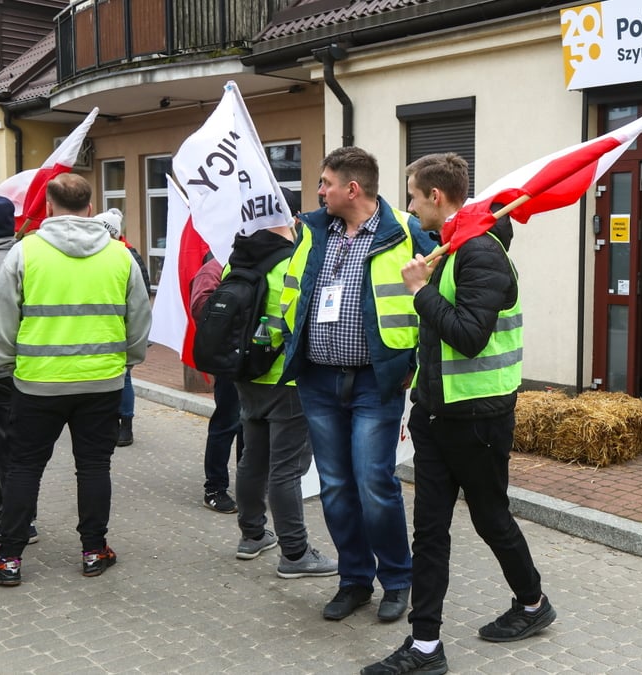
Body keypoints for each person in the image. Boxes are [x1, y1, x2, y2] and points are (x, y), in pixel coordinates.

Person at [363, 153, 555, 674]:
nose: (409, 207)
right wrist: (418, 397)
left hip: (478, 420)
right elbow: (438, 343)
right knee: (429, 531)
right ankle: (425, 646)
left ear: (437, 198)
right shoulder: (450, 250)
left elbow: (469, 337)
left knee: (491, 517)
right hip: (436, 417)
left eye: (412, 196)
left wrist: (420, 291)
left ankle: (533, 602)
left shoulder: (481, 255)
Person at [279, 147, 433, 622]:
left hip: (375, 382)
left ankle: (398, 580)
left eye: (325, 182)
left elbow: (431, 301)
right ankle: (353, 581)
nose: (318, 191)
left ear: (353, 189)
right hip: (319, 381)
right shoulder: (313, 232)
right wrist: (289, 337)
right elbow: (291, 289)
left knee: (374, 483)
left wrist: (411, 361)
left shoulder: (405, 233)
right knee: (335, 487)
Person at [0, 174, 151, 585]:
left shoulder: (25, 253)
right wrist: (127, 360)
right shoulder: (119, 255)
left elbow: (0, 320)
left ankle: (9, 559)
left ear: (51, 207)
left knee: (24, 467)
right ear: (90, 207)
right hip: (102, 382)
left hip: (37, 382)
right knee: (94, 467)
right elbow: (140, 317)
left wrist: (7, 365)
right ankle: (94, 550)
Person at [223, 206, 337, 578]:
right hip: (285, 380)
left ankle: (252, 535)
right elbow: (300, 320)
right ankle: (295, 553)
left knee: (253, 458)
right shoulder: (290, 264)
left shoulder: (235, 261)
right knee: (287, 470)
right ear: (289, 222)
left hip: (246, 376)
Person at [0, 195, 38, 550]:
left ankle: (18, 522)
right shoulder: (21, 255)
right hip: (15, 365)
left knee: (2, 448)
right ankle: (2, 505)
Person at [190, 255, 244, 514]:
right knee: (227, 422)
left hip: (257, 359)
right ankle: (215, 488)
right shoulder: (213, 268)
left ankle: (249, 483)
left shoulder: (259, 263)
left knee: (251, 424)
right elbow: (201, 307)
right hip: (229, 359)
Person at [93, 208, 150, 447]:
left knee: (123, 376)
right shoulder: (114, 253)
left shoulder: (127, 256)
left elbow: (141, 295)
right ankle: (111, 422)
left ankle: (125, 424)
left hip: (119, 327)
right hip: (106, 325)